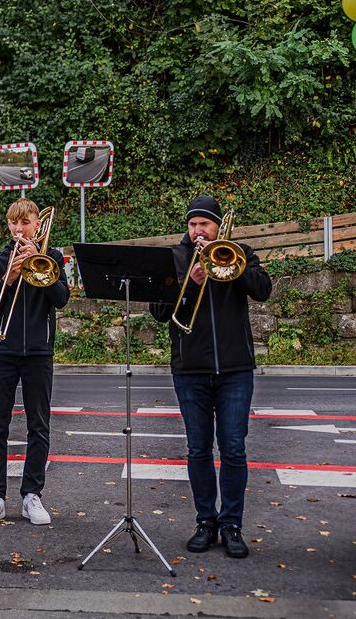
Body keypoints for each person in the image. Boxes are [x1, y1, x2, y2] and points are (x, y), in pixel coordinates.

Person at [150, 195, 271, 559]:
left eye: (204, 224)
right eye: (192, 224)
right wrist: (189, 282)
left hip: (235, 368)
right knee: (198, 449)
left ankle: (232, 525)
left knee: (233, 449)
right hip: (191, 369)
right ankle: (206, 521)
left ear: (218, 226)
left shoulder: (241, 251)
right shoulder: (176, 258)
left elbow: (262, 290)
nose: (198, 230)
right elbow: (158, 309)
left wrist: (233, 263)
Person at [0, 199, 69, 528]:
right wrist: (9, 278)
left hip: (39, 352)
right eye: (14, 223)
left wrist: (38, 267)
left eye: (26, 223)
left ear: (37, 226)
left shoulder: (52, 258)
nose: (19, 229)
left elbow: (62, 299)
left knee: (38, 426)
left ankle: (32, 495)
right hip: (2, 350)